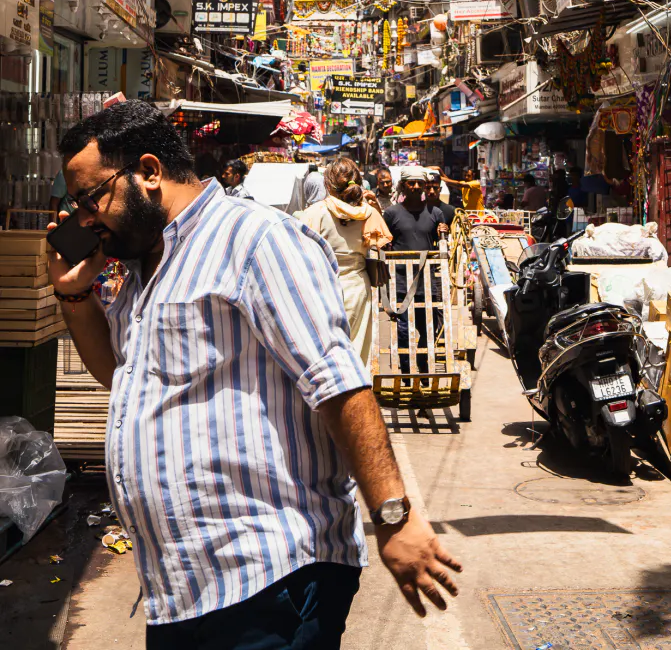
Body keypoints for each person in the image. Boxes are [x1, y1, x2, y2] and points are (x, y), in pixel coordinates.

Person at [48, 102, 461, 648]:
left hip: (267, 578)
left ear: (148, 172)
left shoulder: (254, 239)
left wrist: (392, 516)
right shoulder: (143, 270)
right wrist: (76, 296)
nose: (84, 219)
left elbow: (337, 381)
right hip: (183, 588)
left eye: (90, 199)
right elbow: (122, 377)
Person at [296, 158, 391, 366]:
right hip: (358, 288)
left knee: (325, 354)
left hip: (322, 289)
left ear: (327, 185)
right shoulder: (370, 213)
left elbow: (299, 255)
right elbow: (382, 244)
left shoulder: (314, 213)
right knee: (357, 353)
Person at [382, 166, 448, 371]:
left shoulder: (436, 213)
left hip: (427, 282)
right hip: (400, 283)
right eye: (411, 183)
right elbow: (384, 244)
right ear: (403, 185)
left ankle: (423, 363)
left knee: (429, 329)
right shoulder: (392, 214)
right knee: (403, 330)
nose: (416, 186)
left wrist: (443, 233)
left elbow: (443, 246)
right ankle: (406, 371)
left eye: (420, 183)